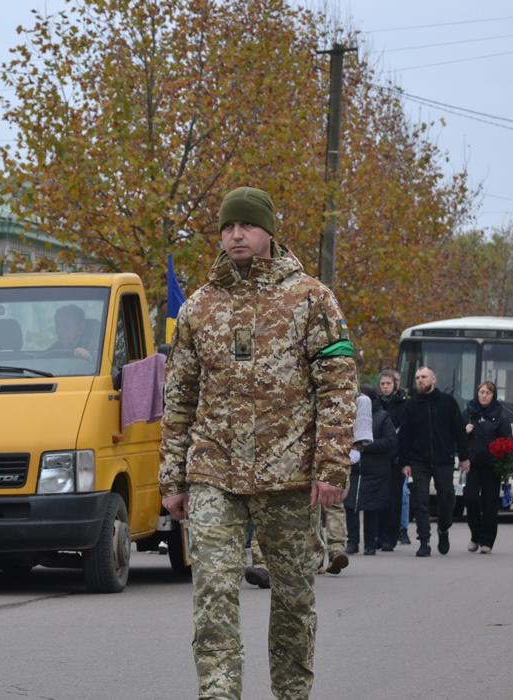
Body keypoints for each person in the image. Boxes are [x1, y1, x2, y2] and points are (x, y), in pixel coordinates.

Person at [159, 186, 357, 699]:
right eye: (227, 227)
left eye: (245, 225)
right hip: (213, 474)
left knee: (293, 599)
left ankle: (292, 694)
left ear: (270, 229)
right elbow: (179, 396)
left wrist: (331, 467)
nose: (235, 235)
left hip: (289, 474)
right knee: (213, 594)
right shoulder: (200, 307)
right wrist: (173, 477)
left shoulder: (312, 298)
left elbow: (337, 383)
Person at [399, 367, 469, 557]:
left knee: (447, 497)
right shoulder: (412, 405)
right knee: (420, 500)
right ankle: (424, 541)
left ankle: (444, 529)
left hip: (443, 459)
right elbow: (404, 436)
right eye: (417, 378)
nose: (420, 380)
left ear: (433, 379)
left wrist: (464, 457)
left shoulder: (447, 402)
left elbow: (459, 431)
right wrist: (405, 462)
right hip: (418, 460)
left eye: (423, 377)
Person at [344, 388, 397, 555]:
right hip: (355, 470)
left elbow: (391, 441)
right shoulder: (350, 415)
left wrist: (367, 445)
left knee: (371, 509)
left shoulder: (382, 416)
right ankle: (352, 542)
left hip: (375, 470)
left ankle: (370, 544)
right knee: (350, 506)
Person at [463, 381, 513, 554]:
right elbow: (457, 436)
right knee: (470, 498)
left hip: (493, 466)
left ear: (493, 396)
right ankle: (475, 535)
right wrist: (465, 431)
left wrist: (504, 461)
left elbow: (508, 441)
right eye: (481, 392)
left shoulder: (500, 415)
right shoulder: (469, 412)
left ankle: (487, 541)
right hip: (473, 464)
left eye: (488, 393)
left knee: (489, 504)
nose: (484, 395)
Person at [375, 368, 410, 550]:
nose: (386, 387)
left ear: (395, 385)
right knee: (379, 498)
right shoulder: (376, 404)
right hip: (379, 457)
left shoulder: (403, 405)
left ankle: (391, 536)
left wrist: (405, 461)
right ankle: (377, 535)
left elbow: (406, 433)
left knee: (394, 498)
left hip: (396, 457)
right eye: (383, 384)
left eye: (388, 383)